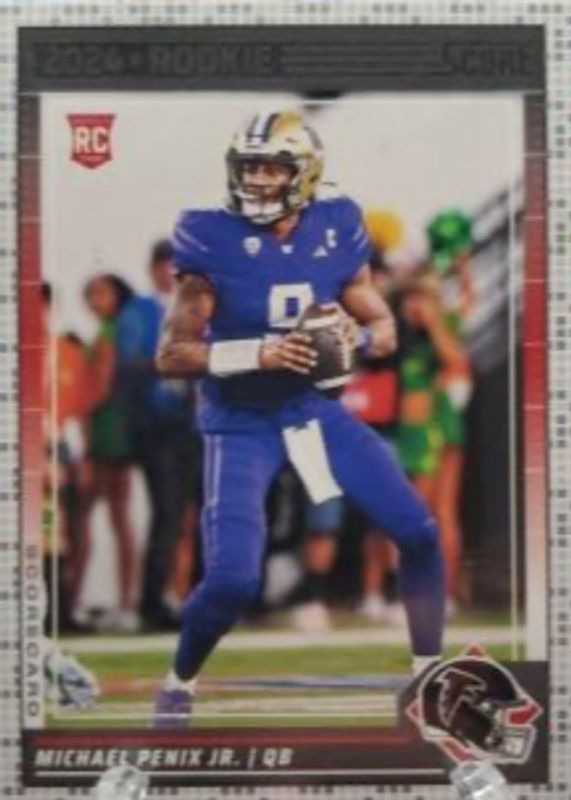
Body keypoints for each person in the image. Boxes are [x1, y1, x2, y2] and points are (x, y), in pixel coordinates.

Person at [152, 110, 445, 727]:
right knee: (232, 580)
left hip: (312, 412)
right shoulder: (209, 234)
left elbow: (383, 328)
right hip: (240, 422)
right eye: (248, 167)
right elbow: (172, 354)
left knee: (419, 531)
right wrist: (255, 353)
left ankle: (430, 680)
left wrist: (350, 340)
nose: (257, 180)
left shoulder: (337, 225)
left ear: (305, 174)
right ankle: (178, 684)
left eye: (271, 168)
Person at [118, 241, 201, 630]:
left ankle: (185, 595)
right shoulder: (138, 312)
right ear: (153, 268)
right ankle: (152, 600)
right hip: (159, 427)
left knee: (192, 514)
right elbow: (131, 365)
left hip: (195, 425)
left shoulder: (198, 310)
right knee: (166, 512)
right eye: (165, 266)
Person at [73, 274, 139, 633]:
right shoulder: (105, 331)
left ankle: (84, 601)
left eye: (102, 292)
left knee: (94, 514)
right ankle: (118, 602)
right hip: (108, 429)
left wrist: (74, 412)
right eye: (91, 292)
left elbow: (100, 385)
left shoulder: (111, 333)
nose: (94, 298)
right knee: (113, 516)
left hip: (108, 431)